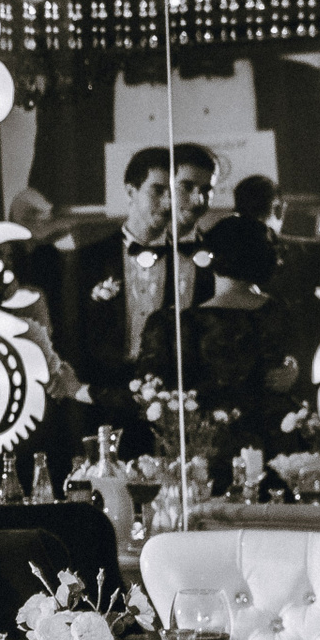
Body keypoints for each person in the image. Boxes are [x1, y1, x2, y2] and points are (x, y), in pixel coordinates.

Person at [62, 143, 217, 458]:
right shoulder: (87, 260)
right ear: (130, 191)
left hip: (173, 408)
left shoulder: (198, 259)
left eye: (171, 191)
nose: (168, 202)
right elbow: (71, 336)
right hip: (101, 408)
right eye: (157, 191)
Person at [136, 213, 298, 462]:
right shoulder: (280, 313)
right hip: (276, 444)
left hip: (205, 446)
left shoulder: (178, 324)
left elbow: (149, 392)